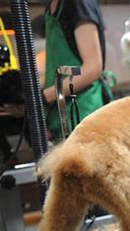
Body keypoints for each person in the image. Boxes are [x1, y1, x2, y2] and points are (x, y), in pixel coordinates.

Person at [41, 0, 106, 141]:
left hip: (82, 114)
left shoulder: (77, 3)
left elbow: (92, 68)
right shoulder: (51, 7)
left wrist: (42, 98)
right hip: (62, 115)